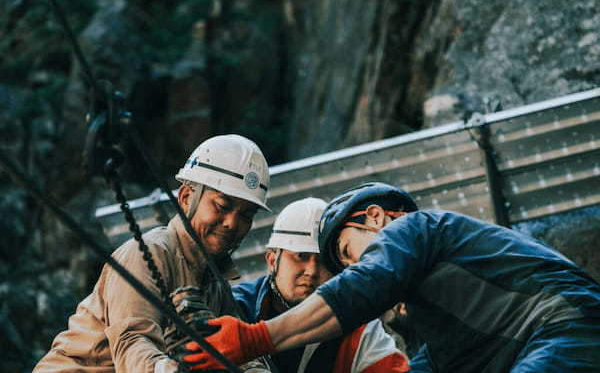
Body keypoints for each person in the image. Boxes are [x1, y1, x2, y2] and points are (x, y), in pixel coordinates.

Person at [181, 182, 600, 372]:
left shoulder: (417, 228)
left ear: (376, 218)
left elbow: (365, 285)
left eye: (347, 253)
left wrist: (255, 338)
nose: (350, 269)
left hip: (564, 328)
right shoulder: (434, 327)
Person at [32, 134, 271, 373]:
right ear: (186, 198)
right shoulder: (148, 254)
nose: (232, 222)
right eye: (222, 205)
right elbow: (134, 341)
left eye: (246, 215)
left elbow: (239, 354)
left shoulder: (215, 283)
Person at [229, 197, 409, 373]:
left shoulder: (357, 324)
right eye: (301, 256)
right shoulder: (235, 307)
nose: (312, 271)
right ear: (272, 260)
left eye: (323, 261)